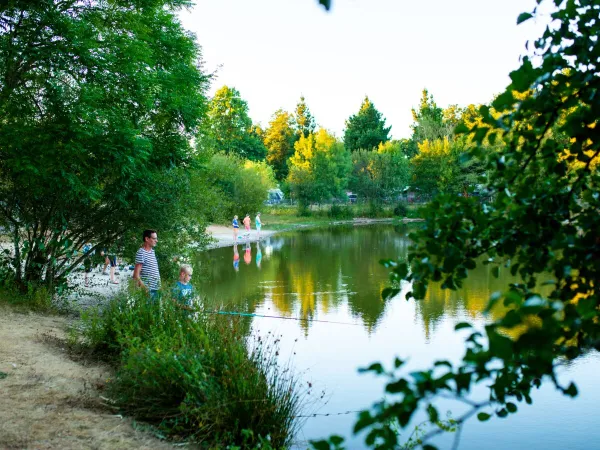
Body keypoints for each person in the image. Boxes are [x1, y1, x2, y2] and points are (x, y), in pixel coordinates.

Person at [133, 229, 160, 297]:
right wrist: (145, 288)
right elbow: (136, 275)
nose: (156, 241)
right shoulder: (141, 252)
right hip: (147, 290)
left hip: (156, 289)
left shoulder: (152, 252)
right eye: (154, 238)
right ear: (147, 239)